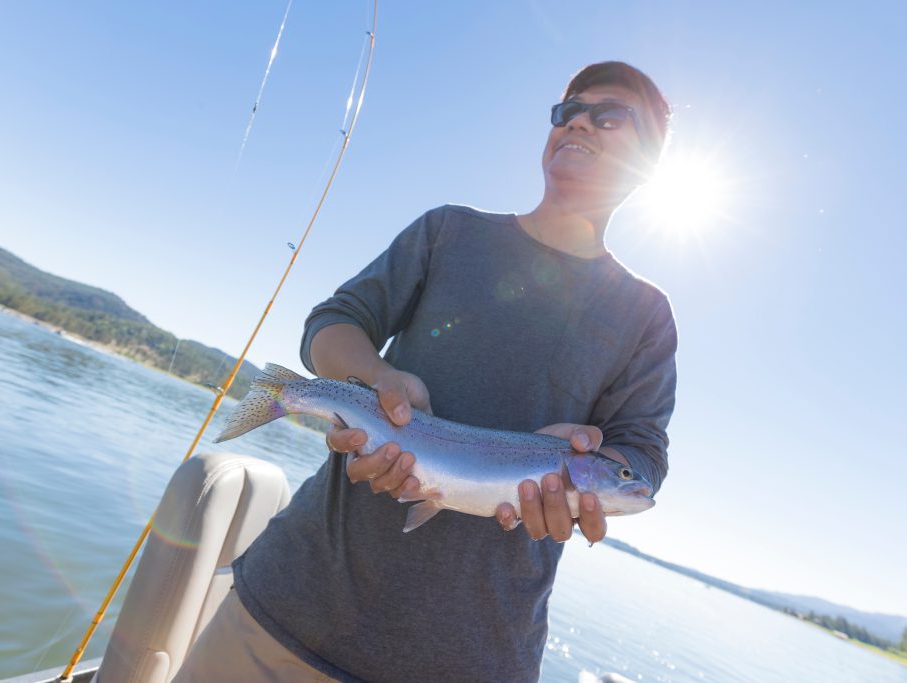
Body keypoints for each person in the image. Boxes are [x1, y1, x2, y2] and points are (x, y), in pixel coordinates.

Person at [174, 60, 677, 683]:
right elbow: (333, 323)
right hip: (288, 607)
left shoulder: (647, 315)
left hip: (468, 659)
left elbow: (644, 456)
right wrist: (376, 379)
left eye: (608, 115)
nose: (577, 121)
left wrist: (606, 457)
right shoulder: (449, 231)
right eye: (566, 111)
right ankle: (281, 397)